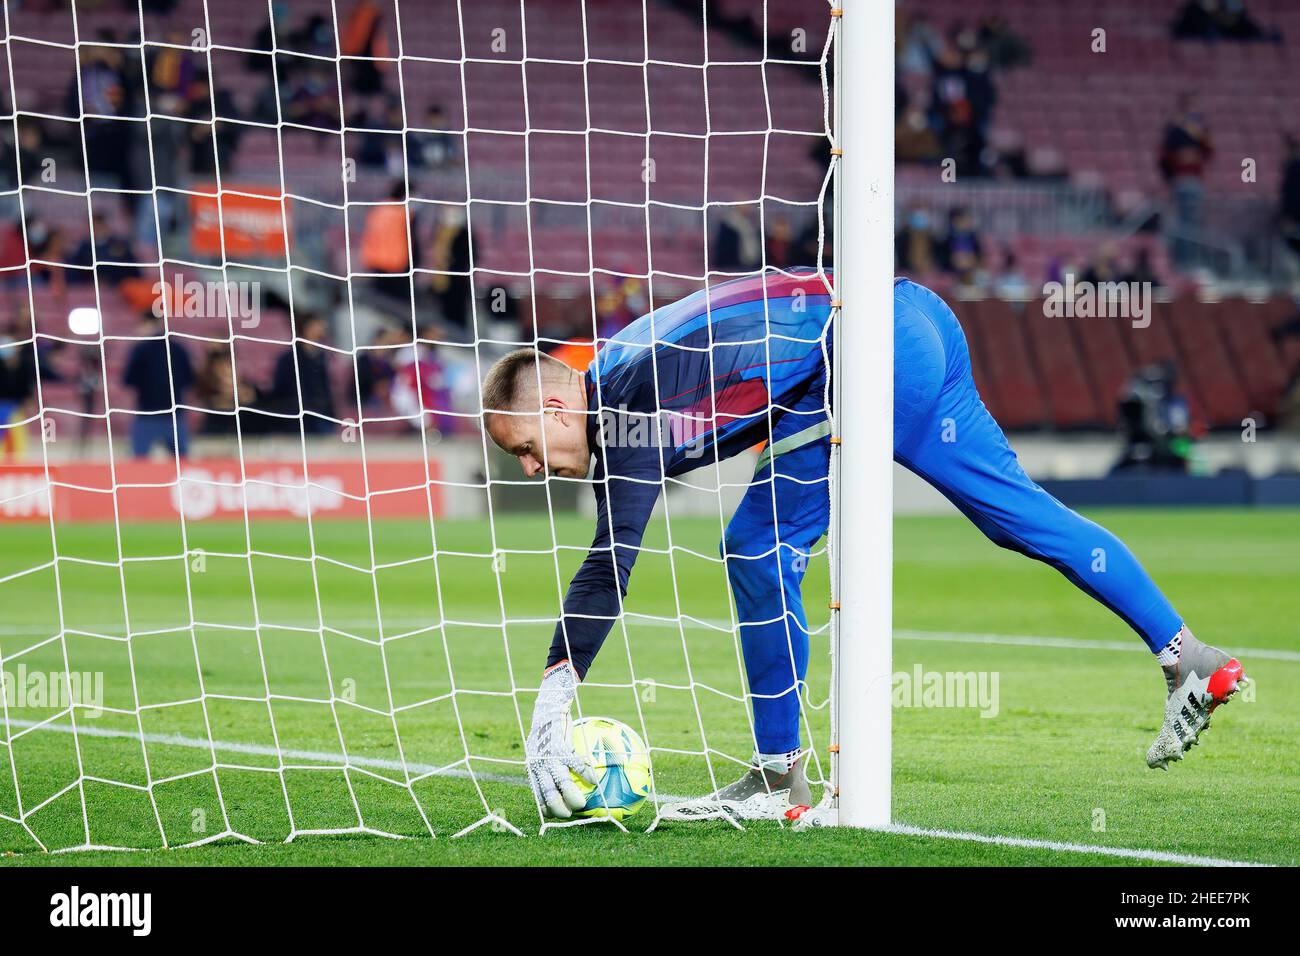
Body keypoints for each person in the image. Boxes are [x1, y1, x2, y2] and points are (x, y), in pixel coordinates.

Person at [481, 270, 1248, 821]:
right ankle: (1186, 655)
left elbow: (613, 556)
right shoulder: (624, 374)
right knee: (1018, 515)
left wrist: (554, 696)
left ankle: (780, 781)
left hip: (859, 350)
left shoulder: (627, 401)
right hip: (910, 317)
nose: (527, 468)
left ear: (555, 404)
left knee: (755, 546)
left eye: (523, 446)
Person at [123, 313, 194, 458]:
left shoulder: (140, 350)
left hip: (148, 413)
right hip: (174, 413)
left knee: (139, 462)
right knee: (182, 462)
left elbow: (128, 379)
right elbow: (190, 379)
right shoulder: (178, 348)